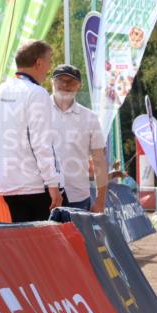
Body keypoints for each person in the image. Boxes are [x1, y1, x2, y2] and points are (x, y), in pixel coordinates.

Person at [0, 40, 62, 222]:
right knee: (41, 247)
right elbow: (41, 143)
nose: (49, 67)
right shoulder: (37, 93)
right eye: (49, 61)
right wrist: (53, 183)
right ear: (38, 63)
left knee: (19, 245)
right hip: (34, 185)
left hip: (6, 183)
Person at [49, 65, 108, 212]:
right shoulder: (36, 112)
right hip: (43, 196)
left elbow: (99, 161)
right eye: (60, 80)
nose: (65, 85)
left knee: (78, 236)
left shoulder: (90, 118)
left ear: (79, 86)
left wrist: (100, 201)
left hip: (78, 197)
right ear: (52, 82)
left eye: (71, 82)